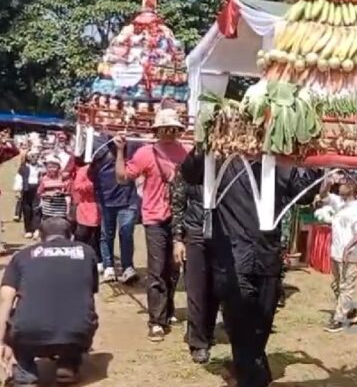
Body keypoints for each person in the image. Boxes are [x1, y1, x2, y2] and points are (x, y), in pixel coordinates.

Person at [179, 149, 322, 387]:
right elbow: (190, 173)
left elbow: (304, 192)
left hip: (268, 260)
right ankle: (252, 377)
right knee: (242, 329)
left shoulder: (279, 162)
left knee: (261, 327)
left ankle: (247, 370)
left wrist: (317, 158)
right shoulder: (222, 161)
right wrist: (206, 137)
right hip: (233, 261)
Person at [114, 108, 189, 342]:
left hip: (179, 217)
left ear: (177, 130)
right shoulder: (146, 153)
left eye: (173, 128)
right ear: (157, 130)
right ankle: (156, 321)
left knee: (174, 267)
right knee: (157, 269)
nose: (169, 132)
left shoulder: (186, 152)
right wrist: (119, 151)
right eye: (165, 128)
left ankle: (167, 310)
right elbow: (122, 177)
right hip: (154, 217)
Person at [0, 218, 99, 386]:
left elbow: (5, 299)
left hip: (29, 333)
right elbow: (90, 292)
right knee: (81, 314)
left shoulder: (22, 256)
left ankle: (25, 372)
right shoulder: (87, 252)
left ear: (41, 238)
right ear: (72, 237)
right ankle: (68, 364)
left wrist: (2, 341)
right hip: (77, 332)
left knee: (15, 318)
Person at [171, 147, 219, 364]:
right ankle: (198, 341)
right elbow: (178, 205)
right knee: (196, 289)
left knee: (216, 288)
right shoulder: (189, 167)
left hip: (221, 233)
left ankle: (207, 332)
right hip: (195, 231)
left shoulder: (228, 165)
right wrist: (178, 239)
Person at [315, 171, 357, 333]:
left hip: (349, 256)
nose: (341, 185)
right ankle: (349, 312)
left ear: (352, 188)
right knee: (337, 285)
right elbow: (323, 195)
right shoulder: (338, 202)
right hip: (336, 254)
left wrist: (348, 248)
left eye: (344, 183)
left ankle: (339, 319)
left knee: (346, 287)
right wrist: (329, 182)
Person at [89, 134, 140, 282]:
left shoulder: (134, 142)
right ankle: (108, 266)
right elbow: (84, 161)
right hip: (106, 198)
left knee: (126, 233)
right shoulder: (98, 143)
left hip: (128, 198)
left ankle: (127, 267)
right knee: (107, 234)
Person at [72, 159, 102, 266]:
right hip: (85, 206)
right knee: (82, 234)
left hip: (101, 208)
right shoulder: (83, 171)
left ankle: (99, 260)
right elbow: (77, 186)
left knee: (98, 236)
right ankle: (77, 257)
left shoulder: (105, 169)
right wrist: (91, 185)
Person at [14, 149, 42, 239]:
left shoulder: (41, 167)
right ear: (28, 157)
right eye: (32, 156)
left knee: (36, 209)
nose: (34, 158)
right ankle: (28, 230)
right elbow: (18, 179)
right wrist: (17, 190)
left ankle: (36, 229)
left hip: (37, 190)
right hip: (26, 190)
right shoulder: (23, 168)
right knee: (26, 210)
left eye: (36, 156)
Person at [37, 155, 69, 222]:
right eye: (50, 167)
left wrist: (62, 193)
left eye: (54, 167)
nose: (52, 169)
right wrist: (47, 195)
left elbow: (69, 192)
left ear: (59, 167)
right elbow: (39, 192)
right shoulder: (44, 179)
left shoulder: (63, 178)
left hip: (60, 208)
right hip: (48, 209)